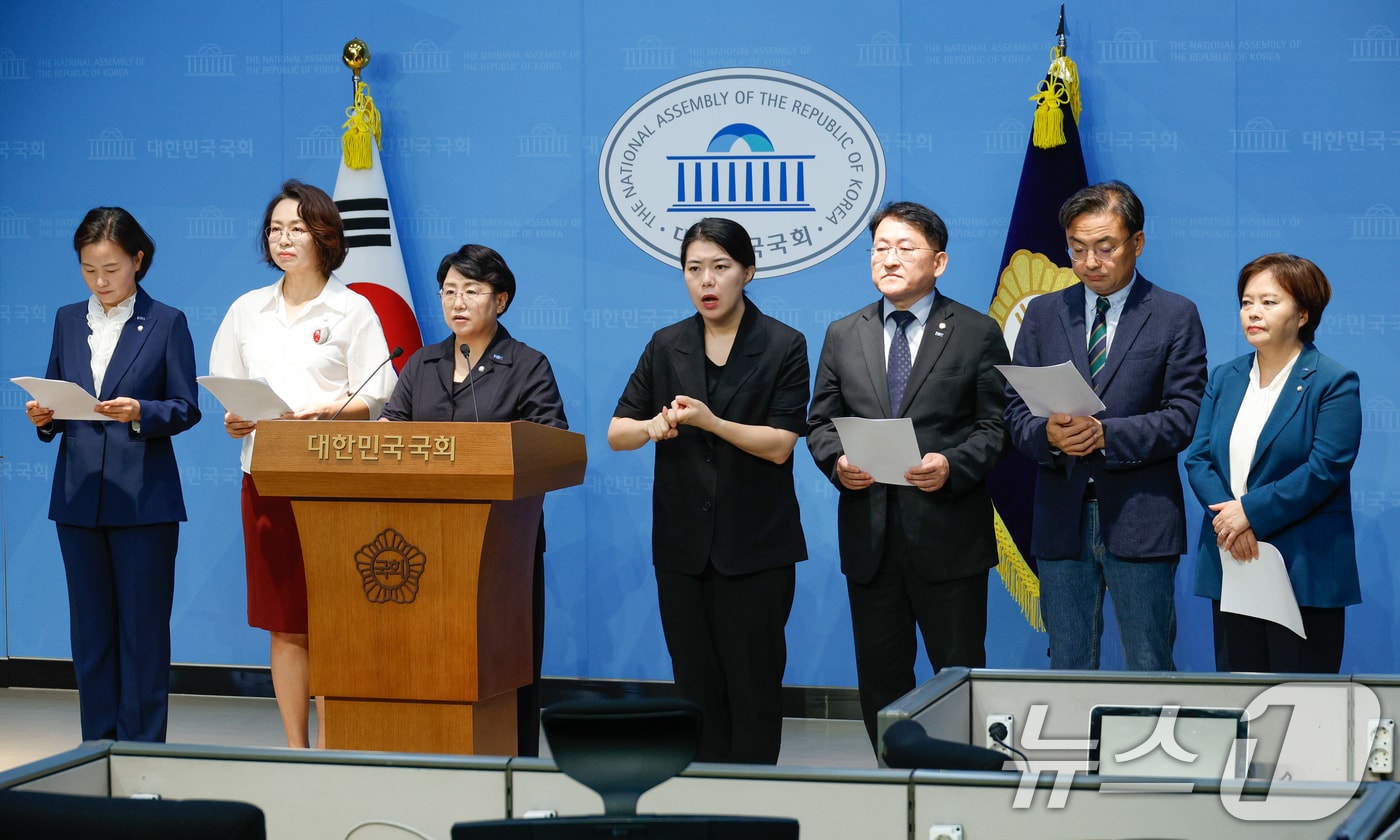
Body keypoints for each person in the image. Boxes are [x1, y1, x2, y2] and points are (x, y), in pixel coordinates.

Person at [807, 201, 1009, 750]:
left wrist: (953, 465)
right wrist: (837, 462)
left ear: (938, 262)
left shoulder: (976, 331)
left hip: (948, 536)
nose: (889, 260)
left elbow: (997, 424)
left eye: (905, 248)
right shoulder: (844, 332)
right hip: (871, 539)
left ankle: (964, 783)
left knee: (958, 675)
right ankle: (893, 786)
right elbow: (819, 422)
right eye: (880, 249)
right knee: (881, 677)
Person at [609, 218, 808, 764]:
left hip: (757, 548)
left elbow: (780, 445)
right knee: (695, 688)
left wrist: (711, 422)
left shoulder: (783, 345)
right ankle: (707, 803)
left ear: (748, 271)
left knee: (754, 688)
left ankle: (754, 807)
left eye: (720, 267)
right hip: (682, 547)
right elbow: (616, 433)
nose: (707, 282)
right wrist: (650, 427)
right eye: (694, 270)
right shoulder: (665, 344)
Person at [209, 179, 395, 748]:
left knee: (335, 618)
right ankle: (297, 748)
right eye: (275, 229)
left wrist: (331, 408)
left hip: (335, 478)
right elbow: (225, 386)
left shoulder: (353, 307)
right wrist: (235, 419)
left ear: (325, 237)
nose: (284, 239)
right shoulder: (247, 309)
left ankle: (341, 741)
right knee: (286, 619)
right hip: (265, 477)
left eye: (297, 228)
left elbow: (381, 394)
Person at [1004, 180, 1207, 671]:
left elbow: (1183, 415)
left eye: (1104, 247)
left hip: (1140, 515)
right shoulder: (1044, 314)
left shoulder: (1175, 314)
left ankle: (1154, 748)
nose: (1090, 261)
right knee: (1069, 663)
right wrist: (1046, 436)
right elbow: (1015, 410)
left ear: (1137, 243)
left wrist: (1107, 435)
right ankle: (1074, 751)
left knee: (1149, 658)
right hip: (1061, 515)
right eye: (1077, 249)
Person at [380, 243, 566, 756]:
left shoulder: (527, 365)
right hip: (423, 544)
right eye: (449, 291)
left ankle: (515, 761)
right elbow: (391, 430)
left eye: (472, 291)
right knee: (433, 655)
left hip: (506, 541)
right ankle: (432, 750)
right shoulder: (421, 364)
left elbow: (551, 444)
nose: (457, 302)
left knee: (509, 657)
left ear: (501, 300)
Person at [25, 207, 201, 742]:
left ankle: (143, 753)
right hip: (79, 497)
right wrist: (44, 417)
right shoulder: (65, 318)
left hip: (144, 501)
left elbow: (186, 407)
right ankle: (96, 747)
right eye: (88, 270)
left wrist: (142, 412)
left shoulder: (167, 321)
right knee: (91, 634)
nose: (100, 282)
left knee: (142, 636)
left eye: (111, 269)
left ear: (138, 260)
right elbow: (57, 388)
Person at [1185, 254, 1361, 673]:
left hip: (1303, 566)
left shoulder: (1332, 381)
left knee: (1302, 705)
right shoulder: (1226, 378)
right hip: (1233, 561)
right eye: (1247, 302)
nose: (1254, 313)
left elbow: (1324, 470)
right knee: (1240, 700)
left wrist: (1250, 514)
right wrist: (1231, 522)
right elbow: (1199, 458)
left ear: (1303, 314)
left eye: (1269, 302)